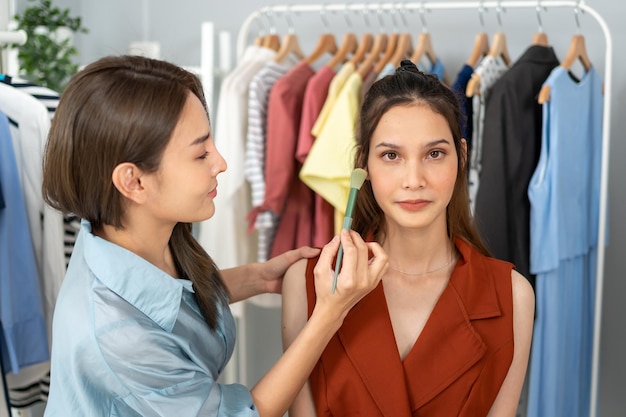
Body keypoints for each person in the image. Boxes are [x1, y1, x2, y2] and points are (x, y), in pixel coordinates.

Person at [41, 55, 389, 417]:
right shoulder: (117, 336)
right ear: (134, 181)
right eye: (200, 153)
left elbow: (166, 303)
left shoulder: (125, 233)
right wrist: (330, 315)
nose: (221, 163)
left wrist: (256, 277)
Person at [282, 60, 535, 417]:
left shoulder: (512, 295)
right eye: (391, 155)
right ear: (363, 166)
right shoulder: (307, 283)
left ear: (461, 157)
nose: (414, 179)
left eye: (434, 154)